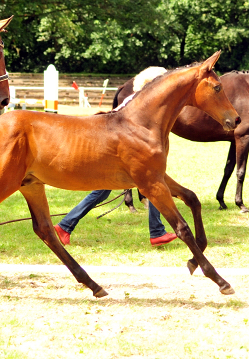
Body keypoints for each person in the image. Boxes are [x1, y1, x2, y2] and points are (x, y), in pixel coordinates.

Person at [54, 66, 177, 247]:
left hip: (115, 151)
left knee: (102, 192)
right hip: (117, 152)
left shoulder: (136, 100)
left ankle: (65, 226)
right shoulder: (136, 101)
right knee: (152, 185)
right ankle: (157, 232)